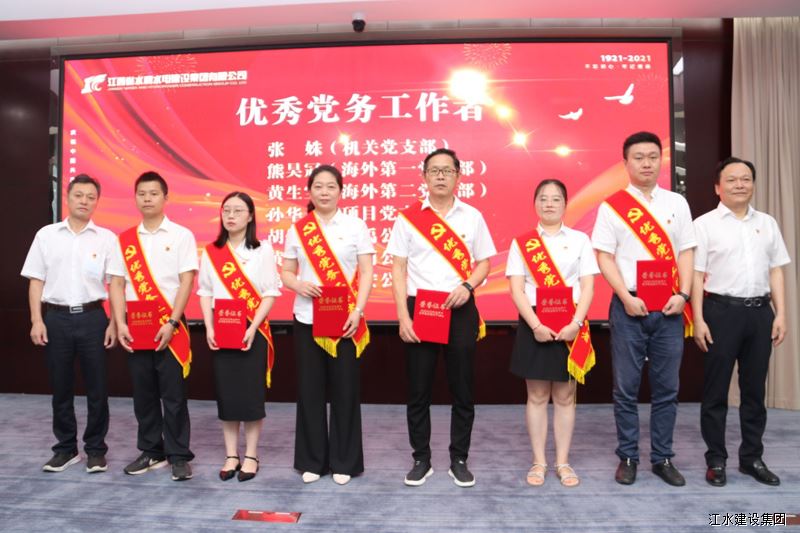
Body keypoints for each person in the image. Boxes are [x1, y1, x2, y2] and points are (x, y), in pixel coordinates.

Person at [387, 148, 496, 488]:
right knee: (418, 390)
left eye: (447, 171)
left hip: (459, 308)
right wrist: (402, 317)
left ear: (458, 176)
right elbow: (398, 268)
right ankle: (421, 458)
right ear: (424, 176)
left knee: (462, 389)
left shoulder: (472, 216)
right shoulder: (407, 218)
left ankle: (459, 458)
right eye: (434, 170)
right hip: (420, 309)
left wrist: (468, 285)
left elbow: (484, 262)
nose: (440, 176)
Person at [591, 131, 696, 487]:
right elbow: (604, 256)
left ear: (661, 160)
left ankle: (663, 458)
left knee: (667, 388)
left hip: (669, 307)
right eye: (639, 157)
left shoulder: (677, 203)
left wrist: (684, 294)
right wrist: (624, 295)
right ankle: (628, 457)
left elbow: (687, 252)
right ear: (626, 163)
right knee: (626, 388)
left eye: (653, 156)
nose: (646, 163)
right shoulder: (612, 206)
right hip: (629, 306)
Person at [691, 157, 790, 487]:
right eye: (732, 179)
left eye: (746, 179)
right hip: (720, 312)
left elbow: (776, 270)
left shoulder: (767, 223)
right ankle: (716, 460)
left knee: (754, 392)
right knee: (716, 392)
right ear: (718, 187)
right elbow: (695, 275)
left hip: (760, 313)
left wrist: (781, 313)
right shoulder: (705, 224)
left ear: (753, 184)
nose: (740, 185)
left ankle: (751, 458)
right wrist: (698, 319)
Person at [281, 165, 374, 486]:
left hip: (345, 319)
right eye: (318, 186)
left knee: (345, 391)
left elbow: (367, 271)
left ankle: (344, 461)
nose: (324, 192)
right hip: (307, 319)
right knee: (310, 391)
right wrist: (298, 285)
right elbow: (287, 272)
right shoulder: (298, 230)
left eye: (330, 186)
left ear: (340, 191)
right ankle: (313, 460)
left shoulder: (356, 226)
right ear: (309, 191)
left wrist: (358, 310)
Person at [21, 174, 117, 473]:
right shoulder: (46, 235)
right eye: (79, 195)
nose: (84, 201)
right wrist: (36, 320)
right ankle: (65, 449)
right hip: (56, 318)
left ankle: (96, 450)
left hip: (93, 318)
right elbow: (36, 280)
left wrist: (114, 322)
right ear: (67, 197)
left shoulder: (106, 238)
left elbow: (115, 284)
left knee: (97, 389)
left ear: (96, 202)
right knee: (60, 387)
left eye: (90, 197)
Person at [506, 179, 598, 487]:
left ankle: (563, 462)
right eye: (543, 198)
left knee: (565, 396)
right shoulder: (522, 243)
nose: (549, 204)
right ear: (535, 204)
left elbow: (588, 286)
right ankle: (539, 462)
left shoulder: (580, 240)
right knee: (536, 395)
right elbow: (517, 289)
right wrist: (535, 325)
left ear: (565, 204)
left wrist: (576, 323)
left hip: (570, 325)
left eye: (555, 198)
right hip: (534, 324)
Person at [108, 171, 198, 481]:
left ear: (165, 198)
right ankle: (151, 450)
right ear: (135, 198)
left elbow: (187, 281)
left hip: (171, 326)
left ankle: (178, 455)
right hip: (137, 327)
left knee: (174, 396)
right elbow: (117, 283)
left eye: (153, 193)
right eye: (142, 193)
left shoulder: (181, 235)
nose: (147, 198)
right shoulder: (124, 240)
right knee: (143, 394)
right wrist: (120, 322)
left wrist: (172, 321)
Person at [198, 192, 280, 482]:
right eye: (226, 211)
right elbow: (205, 291)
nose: (231, 216)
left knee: (251, 396)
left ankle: (251, 455)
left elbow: (270, 292)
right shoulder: (211, 252)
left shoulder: (263, 250)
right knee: (228, 395)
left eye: (238, 210)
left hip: (251, 329)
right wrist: (208, 327)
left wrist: (253, 326)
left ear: (250, 216)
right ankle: (231, 454)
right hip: (221, 328)